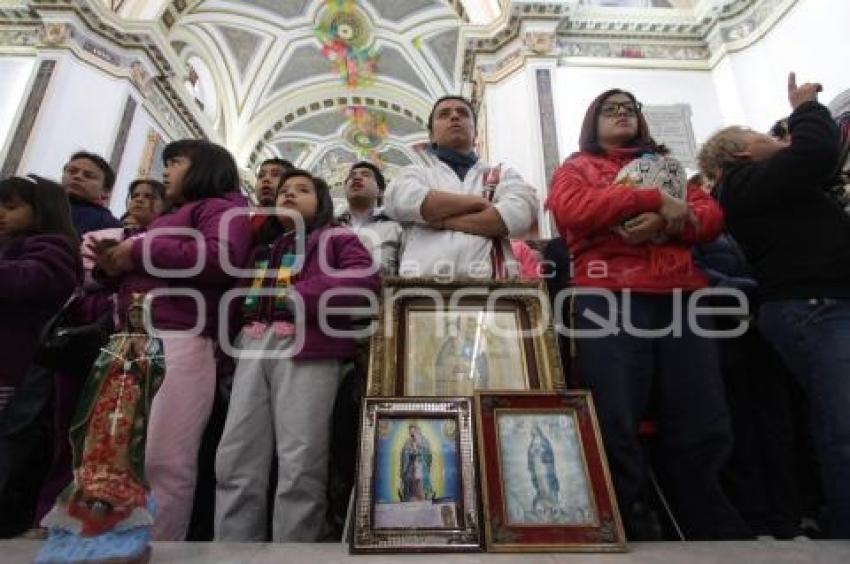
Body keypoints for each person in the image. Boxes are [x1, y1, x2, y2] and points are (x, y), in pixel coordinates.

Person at [546, 88, 748, 540]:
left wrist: (666, 220)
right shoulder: (576, 167)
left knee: (701, 413)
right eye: (609, 110)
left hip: (681, 296)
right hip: (607, 296)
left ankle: (706, 522)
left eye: (629, 109)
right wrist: (654, 202)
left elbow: (710, 217)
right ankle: (625, 519)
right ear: (592, 122)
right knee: (614, 414)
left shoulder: (671, 167)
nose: (621, 115)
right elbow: (573, 210)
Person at [698, 72, 850, 538]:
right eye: (762, 136)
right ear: (742, 155)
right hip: (812, 306)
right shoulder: (742, 185)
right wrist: (805, 107)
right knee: (843, 422)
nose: (774, 139)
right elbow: (817, 153)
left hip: (824, 301)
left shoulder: (766, 185)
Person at [86, 139, 252, 540]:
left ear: (204, 167)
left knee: (165, 457)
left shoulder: (222, 209)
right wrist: (113, 264)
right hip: (136, 335)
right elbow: (145, 264)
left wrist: (140, 247)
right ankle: (119, 542)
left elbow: (220, 258)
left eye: (175, 162)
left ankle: (161, 547)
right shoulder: (174, 215)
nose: (166, 171)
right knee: (123, 452)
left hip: (183, 333)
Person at [214, 169, 380, 542]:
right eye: (285, 191)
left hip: (308, 348)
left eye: (302, 190)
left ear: (322, 203)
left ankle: (296, 546)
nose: (289, 194)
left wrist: (303, 293)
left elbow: (366, 280)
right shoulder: (261, 250)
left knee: (301, 455)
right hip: (251, 348)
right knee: (236, 452)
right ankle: (233, 546)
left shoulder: (336, 237)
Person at [40, 296, 164, 538]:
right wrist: (118, 360)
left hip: (131, 403)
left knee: (126, 444)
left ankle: (119, 496)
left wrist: (139, 362)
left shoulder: (152, 344)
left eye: (141, 316)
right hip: (107, 401)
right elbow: (101, 366)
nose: (137, 319)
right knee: (96, 441)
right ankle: (89, 496)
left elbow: (157, 370)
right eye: (133, 315)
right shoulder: (117, 339)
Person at [0, 175, 81, 537]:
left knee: (8, 439)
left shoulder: (53, 246)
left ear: (41, 211)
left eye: (11, 207)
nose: (0, 214)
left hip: (16, 365)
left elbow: (35, 279)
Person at [383, 95, 538, 279]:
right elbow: (400, 200)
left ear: (476, 133)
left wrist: (441, 220)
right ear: (431, 135)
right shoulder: (415, 173)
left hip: (494, 290)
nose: (454, 116)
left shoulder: (502, 174)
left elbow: (519, 216)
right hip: (423, 291)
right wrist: (477, 203)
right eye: (444, 114)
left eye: (463, 113)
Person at [337, 161, 401, 276]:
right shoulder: (329, 227)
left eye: (366, 175)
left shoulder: (396, 227)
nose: (356, 178)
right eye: (352, 176)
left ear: (380, 192)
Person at [61, 152, 122, 236]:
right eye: (72, 171)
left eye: (88, 176)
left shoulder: (109, 226)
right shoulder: (40, 206)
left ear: (105, 192)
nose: (78, 176)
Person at [250, 158, 293, 236]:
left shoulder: (291, 224)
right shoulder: (249, 219)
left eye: (276, 174)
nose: (266, 179)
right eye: (261, 176)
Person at [528, 424, 559, 517]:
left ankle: (552, 505)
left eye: (534, 430)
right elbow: (529, 454)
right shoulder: (532, 442)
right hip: (537, 467)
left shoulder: (544, 441)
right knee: (540, 485)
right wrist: (532, 455)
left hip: (544, 466)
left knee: (548, 484)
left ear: (538, 430)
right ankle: (544, 505)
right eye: (532, 430)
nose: (532, 432)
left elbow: (549, 453)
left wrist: (541, 452)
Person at [399, 424, 433, 502]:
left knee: (421, 483)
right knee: (408, 480)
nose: (412, 434)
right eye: (410, 432)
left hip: (420, 466)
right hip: (410, 467)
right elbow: (403, 455)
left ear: (417, 431)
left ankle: (424, 496)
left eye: (413, 432)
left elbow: (428, 455)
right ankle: (408, 497)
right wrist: (409, 453)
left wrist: (419, 449)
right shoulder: (407, 443)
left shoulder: (424, 441)